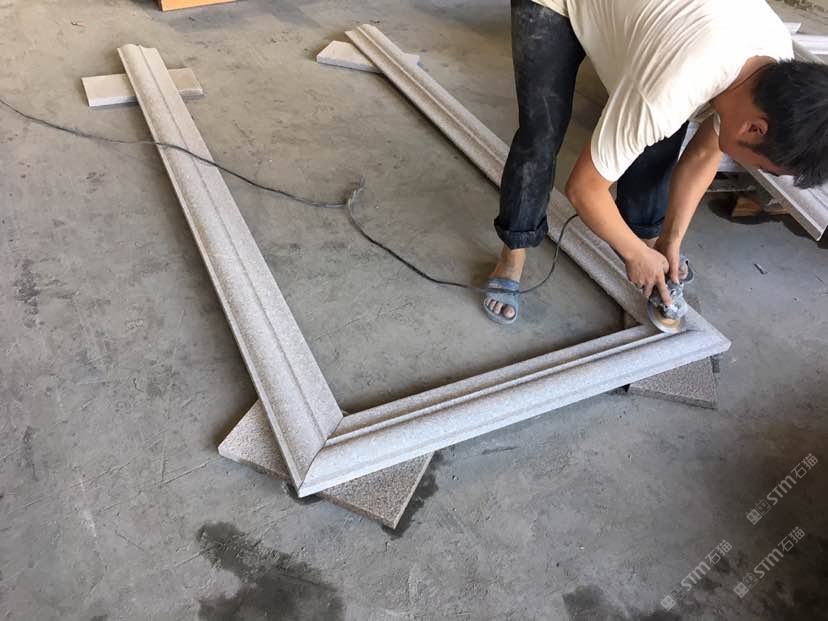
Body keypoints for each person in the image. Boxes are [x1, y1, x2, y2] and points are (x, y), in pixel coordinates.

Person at [483, 0, 828, 324]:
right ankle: (513, 251)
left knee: (658, 141)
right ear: (753, 128)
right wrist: (633, 254)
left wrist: (671, 238)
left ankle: (650, 243)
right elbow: (584, 188)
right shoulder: (673, 85)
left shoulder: (775, 65)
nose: (759, 170)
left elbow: (705, 153)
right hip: (552, 6)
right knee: (540, 134)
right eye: (765, 167)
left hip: (655, 32)